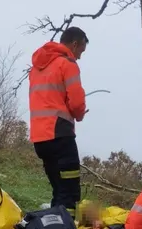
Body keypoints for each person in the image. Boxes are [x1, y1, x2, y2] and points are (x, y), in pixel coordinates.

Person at [29, 27, 88, 219]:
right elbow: (77, 102)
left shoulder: (37, 68)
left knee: (58, 190)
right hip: (60, 134)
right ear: (75, 44)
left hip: (40, 138)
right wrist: (79, 114)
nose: (79, 57)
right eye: (81, 51)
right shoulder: (68, 64)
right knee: (70, 193)